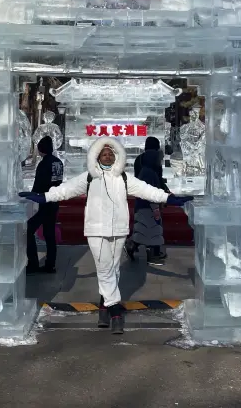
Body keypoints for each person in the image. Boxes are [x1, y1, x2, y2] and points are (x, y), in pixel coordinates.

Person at [19, 137, 192, 335]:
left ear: (116, 156)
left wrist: (170, 198)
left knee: (113, 269)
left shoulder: (124, 179)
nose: (107, 156)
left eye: (110, 153)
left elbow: (147, 191)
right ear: (97, 156)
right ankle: (115, 310)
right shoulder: (89, 177)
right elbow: (65, 190)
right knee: (104, 268)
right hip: (96, 230)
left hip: (118, 230)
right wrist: (44, 197)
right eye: (104, 153)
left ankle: (104, 306)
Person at [126, 137, 171, 265]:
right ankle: (153, 253)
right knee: (154, 224)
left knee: (143, 224)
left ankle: (134, 246)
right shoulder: (155, 160)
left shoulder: (139, 160)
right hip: (152, 197)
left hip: (141, 196)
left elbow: (137, 178)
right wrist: (164, 192)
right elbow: (158, 179)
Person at [26, 136, 64, 274]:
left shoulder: (44, 164)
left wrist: (31, 195)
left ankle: (33, 263)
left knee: (28, 230)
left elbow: (39, 184)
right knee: (49, 234)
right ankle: (50, 264)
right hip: (55, 201)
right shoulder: (58, 162)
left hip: (45, 201)